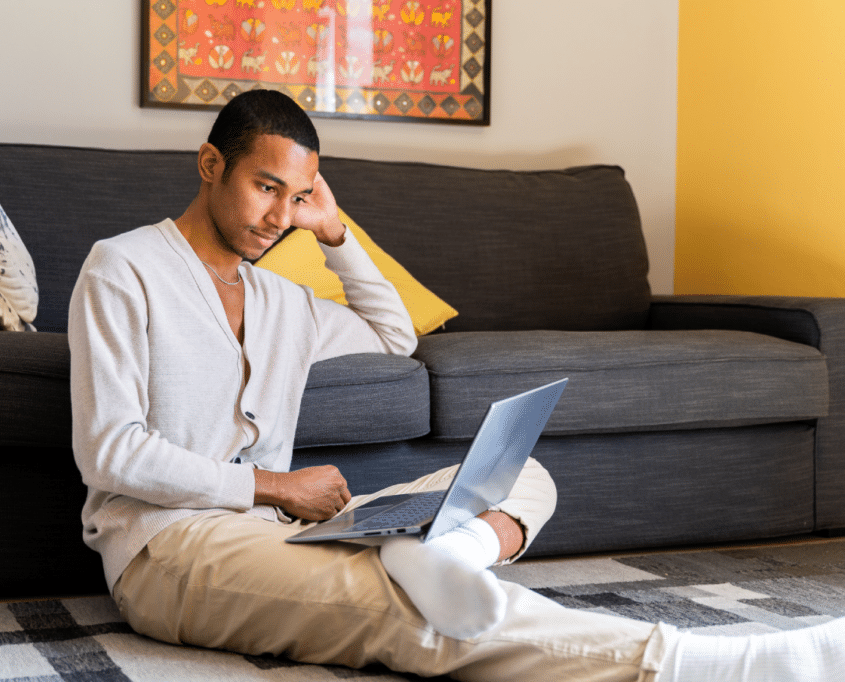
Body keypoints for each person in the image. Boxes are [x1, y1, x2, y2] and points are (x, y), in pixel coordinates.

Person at [69, 89, 844, 681]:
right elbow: (111, 454)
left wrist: (337, 236)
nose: (281, 214)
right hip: (168, 548)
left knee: (522, 474)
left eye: (297, 196)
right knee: (399, 616)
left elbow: (392, 335)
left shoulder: (282, 300)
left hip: (286, 536)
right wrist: (276, 485)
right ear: (211, 165)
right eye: (266, 187)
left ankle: (451, 551)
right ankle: (699, 663)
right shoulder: (124, 267)